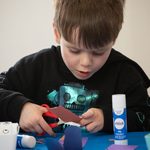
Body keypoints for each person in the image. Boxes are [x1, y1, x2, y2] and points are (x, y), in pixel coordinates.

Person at [0, 0, 150, 136]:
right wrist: (19, 108)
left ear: (114, 39)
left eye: (98, 52)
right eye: (74, 50)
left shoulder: (125, 73)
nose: (85, 62)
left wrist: (109, 119)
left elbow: (145, 117)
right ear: (57, 33)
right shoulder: (35, 67)